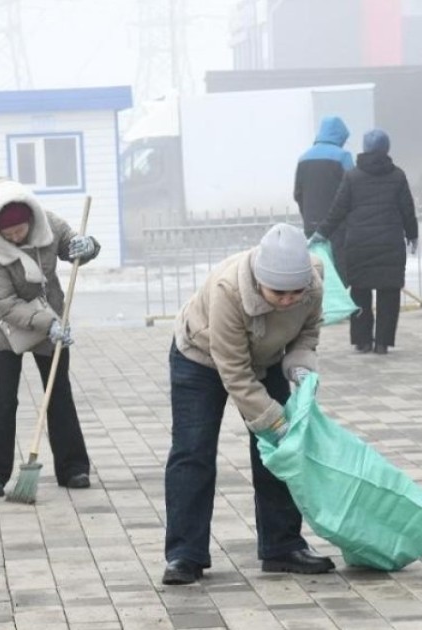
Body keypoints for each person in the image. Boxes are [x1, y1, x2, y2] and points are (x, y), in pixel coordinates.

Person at [163, 223, 333, 586]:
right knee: (193, 451)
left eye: (295, 292)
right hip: (201, 358)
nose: (288, 300)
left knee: (278, 451)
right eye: (278, 292)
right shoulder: (229, 288)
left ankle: (282, 546)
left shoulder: (314, 279)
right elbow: (235, 372)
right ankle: (184, 554)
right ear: (259, 280)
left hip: (266, 358)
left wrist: (300, 364)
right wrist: (274, 420)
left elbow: (308, 331)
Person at [0, 176, 101, 497]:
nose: (16, 237)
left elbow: (73, 246)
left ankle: (74, 468)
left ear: (30, 218)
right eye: (9, 234)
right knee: (4, 395)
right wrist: (48, 324)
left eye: (20, 230)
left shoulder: (48, 223)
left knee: (58, 390)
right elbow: (2, 302)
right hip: (4, 323)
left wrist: (87, 247)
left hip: (47, 311)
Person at [312, 129, 418, 355]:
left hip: (359, 244)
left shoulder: (353, 176)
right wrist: (413, 234)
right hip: (390, 244)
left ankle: (362, 341)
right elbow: (407, 209)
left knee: (359, 292)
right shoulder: (397, 175)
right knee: (389, 294)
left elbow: (337, 210)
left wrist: (321, 233)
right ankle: (382, 343)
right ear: (387, 148)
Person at [294, 116, 354, 238]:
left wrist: (307, 215)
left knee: (316, 257)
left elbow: (298, 193)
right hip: (338, 227)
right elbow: (353, 189)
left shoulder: (303, 159)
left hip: (311, 225)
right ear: (340, 137)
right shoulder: (343, 156)